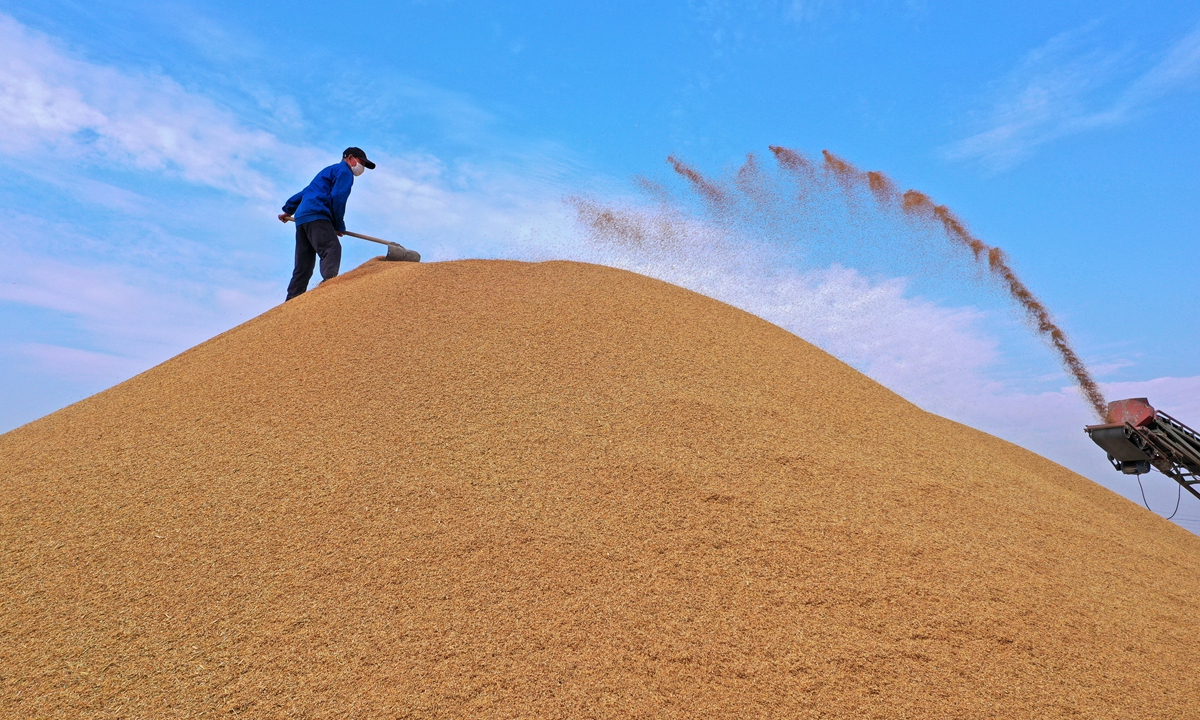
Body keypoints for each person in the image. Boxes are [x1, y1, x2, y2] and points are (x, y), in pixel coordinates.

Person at [279, 147, 376, 300]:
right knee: (331, 248)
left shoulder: (328, 170)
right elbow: (338, 197)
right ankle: (327, 288)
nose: (361, 167)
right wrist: (338, 225)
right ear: (350, 158)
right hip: (318, 214)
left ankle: (292, 300)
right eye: (361, 162)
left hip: (302, 218)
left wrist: (288, 209)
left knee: (304, 264)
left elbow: (307, 191)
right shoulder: (344, 172)